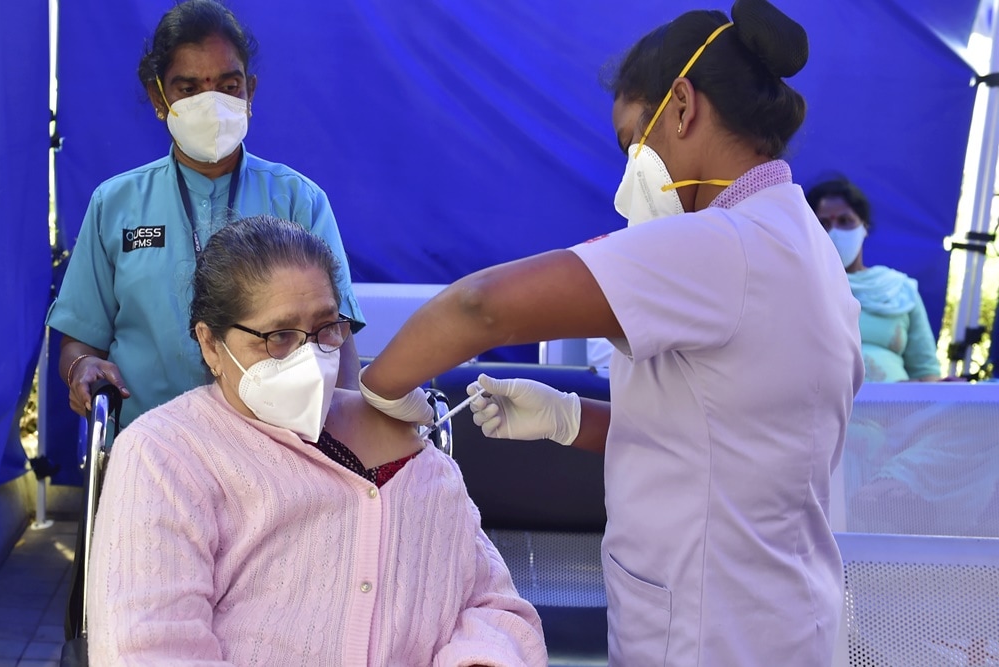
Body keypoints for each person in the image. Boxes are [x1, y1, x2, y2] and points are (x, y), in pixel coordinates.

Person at [358, 1, 864, 665]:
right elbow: (721, 429)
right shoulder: (797, 238)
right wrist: (570, 416)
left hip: (712, 633)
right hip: (778, 617)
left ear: (682, 105)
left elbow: (479, 306)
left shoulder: (720, 243)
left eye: (634, 141)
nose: (631, 168)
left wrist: (376, 395)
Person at [86, 217, 547, 666]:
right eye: (279, 336)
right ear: (210, 346)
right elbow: (149, 648)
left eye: (326, 327)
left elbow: (493, 606)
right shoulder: (166, 456)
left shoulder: (411, 451)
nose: (309, 358)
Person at [47, 0, 364, 428]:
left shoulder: (298, 200)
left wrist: (337, 435)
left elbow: (336, 338)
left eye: (229, 87)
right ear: (157, 97)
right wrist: (80, 368)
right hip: (150, 444)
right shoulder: (115, 203)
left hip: (276, 449)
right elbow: (79, 342)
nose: (211, 104)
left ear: (250, 90)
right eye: (189, 88)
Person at [806, 177, 943, 382]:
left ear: (864, 226)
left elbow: (926, 372)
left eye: (845, 221)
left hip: (897, 412)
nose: (834, 232)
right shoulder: (800, 289)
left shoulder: (899, 290)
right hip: (823, 411)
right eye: (823, 224)